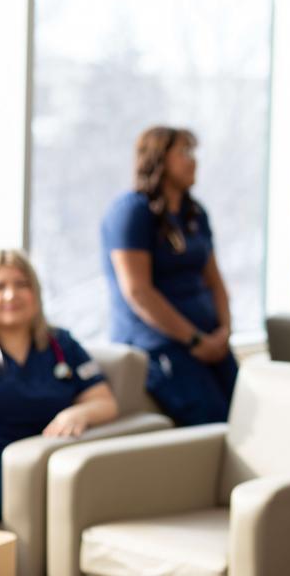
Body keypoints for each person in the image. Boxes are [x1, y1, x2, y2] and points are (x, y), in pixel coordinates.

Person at [0, 249, 118, 528]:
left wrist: (78, 414)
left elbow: (105, 402)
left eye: (21, 284)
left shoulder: (61, 343)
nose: (11, 295)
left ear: (35, 292)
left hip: (26, 461)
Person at [101, 126, 237, 426]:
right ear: (159, 158)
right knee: (213, 420)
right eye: (184, 153)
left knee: (248, 413)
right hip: (162, 347)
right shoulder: (131, 212)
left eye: (194, 153)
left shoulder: (195, 214)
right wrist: (193, 341)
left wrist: (224, 330)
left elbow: (215, 280)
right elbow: (139, 293)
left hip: (212, 341)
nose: (194, 161)